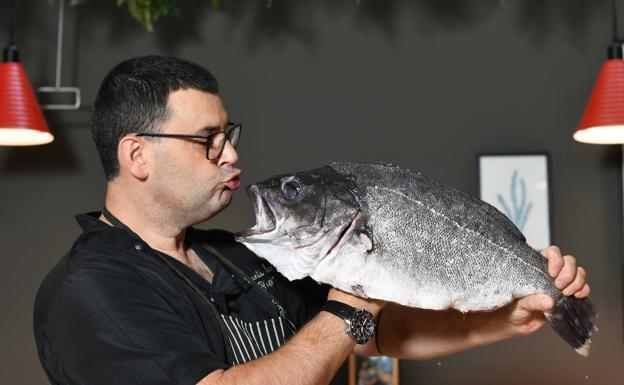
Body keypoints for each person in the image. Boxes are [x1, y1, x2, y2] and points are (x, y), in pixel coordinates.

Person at [33, 55, 591, 385]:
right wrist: (351, 305)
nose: (231, 156)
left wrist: (506, 318)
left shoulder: (234, 254)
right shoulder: (92, 289)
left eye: (229, 137)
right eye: (208, 141)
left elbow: (380, 333)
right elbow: (347, 320)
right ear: (137, 156)